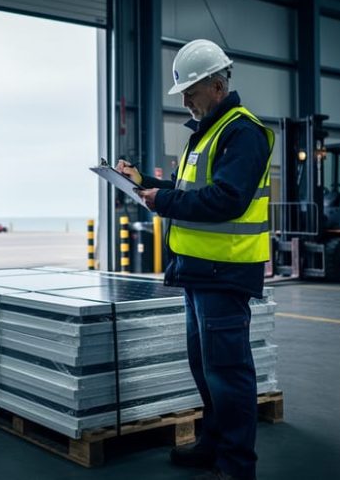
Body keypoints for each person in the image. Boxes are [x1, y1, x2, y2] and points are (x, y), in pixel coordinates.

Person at [116, 39, 273, 480]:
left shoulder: (242, 132)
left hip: (224, 273)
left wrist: (160, 200)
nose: (185, 100)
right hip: (198, 271)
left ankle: (237, 465)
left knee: (228, 371)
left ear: (218, 87)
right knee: (206, 367)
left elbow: (225, 200)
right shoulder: (206, 134)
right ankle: (212, 444)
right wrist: (141, 180)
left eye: (191, 91)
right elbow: (188, 193)